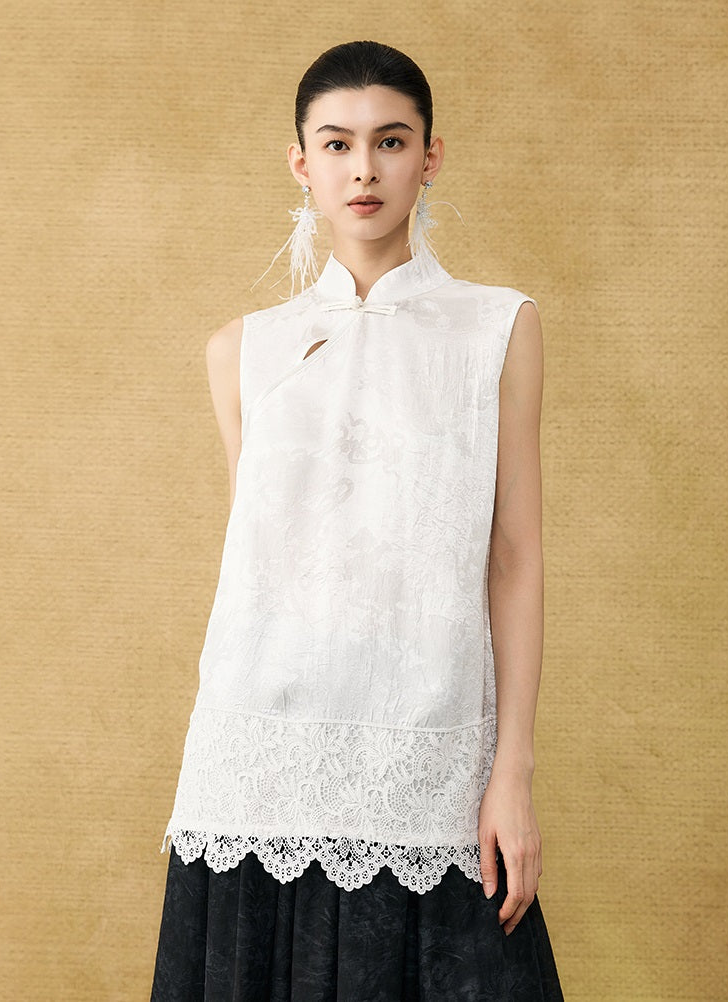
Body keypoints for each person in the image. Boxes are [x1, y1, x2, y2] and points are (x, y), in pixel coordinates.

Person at [150, 39, 564, 1002]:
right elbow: (264, 563)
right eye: (337, 144)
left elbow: (514, 556)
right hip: (256, 755)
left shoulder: (498, 328)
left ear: (431, 156)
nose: (364, 169)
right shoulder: (243, 350)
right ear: (302, 163)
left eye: (391, 141)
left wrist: (511, 771)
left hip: (430, 747)